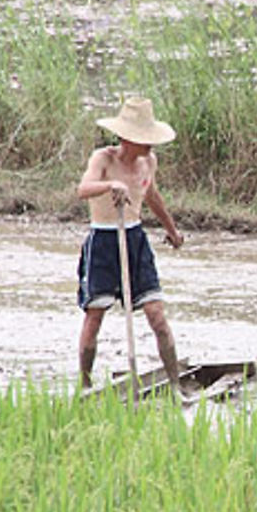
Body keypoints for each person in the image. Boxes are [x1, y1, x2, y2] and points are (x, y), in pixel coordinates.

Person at [75, 96, 183, 390]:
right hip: (104, 240)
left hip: (135, 238)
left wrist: (172, 230)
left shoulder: (149, 161)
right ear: (126, 137)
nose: (148, 145)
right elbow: (83, 189)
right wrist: (111, 185)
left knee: (157, 316)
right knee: (95, 315)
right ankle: (84, 386)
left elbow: (151, 195)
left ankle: (175, 385)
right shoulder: (103, 159)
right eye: (142, 139)